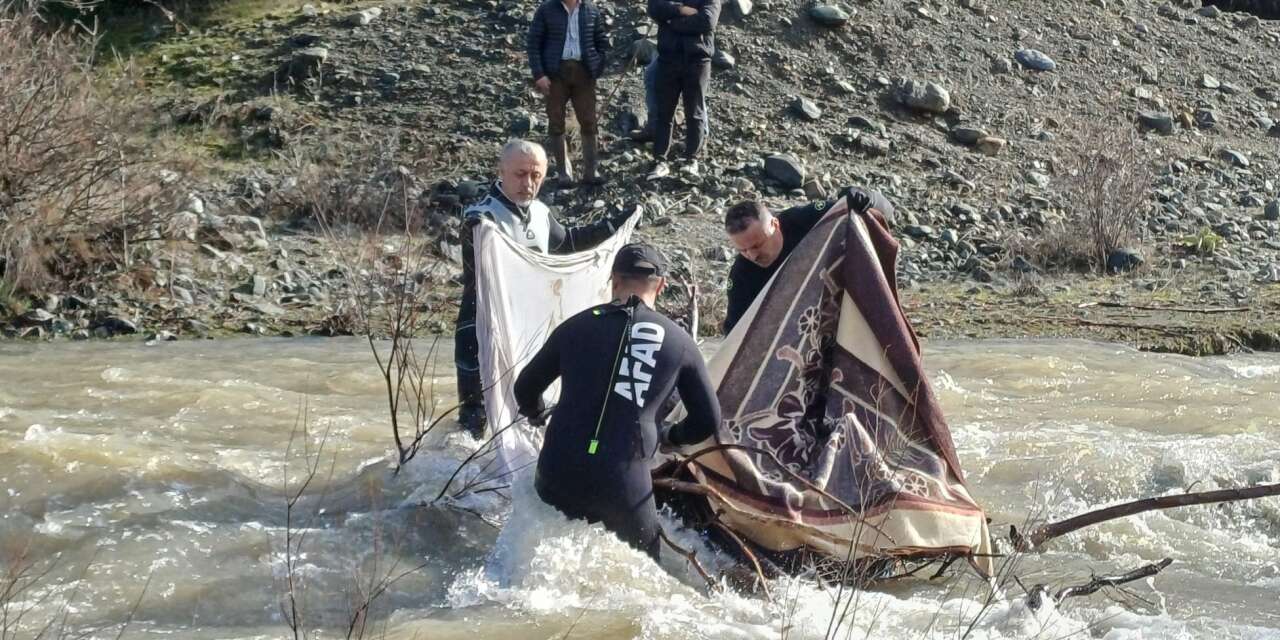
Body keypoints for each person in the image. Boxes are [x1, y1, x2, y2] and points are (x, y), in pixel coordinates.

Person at [513, 243, 721, 561]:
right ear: (661, 286)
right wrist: (670, 436)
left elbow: (525, 387)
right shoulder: (679, 342)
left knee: (538, 559)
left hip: (558, 468)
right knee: (643, 573)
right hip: (624, 482)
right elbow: (707, 421)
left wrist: (536, 412)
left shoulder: (575, 326)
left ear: (614, 280)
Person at [455, 140, 636, 438]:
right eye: (520, 174)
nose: (528, 183)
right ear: (501, 171)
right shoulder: (480, 217)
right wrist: (478, 230)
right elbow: (478, 260)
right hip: (480, 330)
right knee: (475, 425)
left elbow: (568, 243)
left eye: (536, 175)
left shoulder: (539, 212)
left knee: (526, 413)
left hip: (527, 329)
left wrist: (613, 225)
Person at [722, 187, 896, 334]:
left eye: (757, 245)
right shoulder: (742, 277)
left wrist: (865, 197)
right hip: (799, 334)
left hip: (849, 307)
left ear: (775, 224)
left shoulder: (804, 221)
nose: (752, 256)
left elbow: (886, 211)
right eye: (743, 250)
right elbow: (734, 336)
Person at [527, 0, 609, 186]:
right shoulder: (546, 9)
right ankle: (563, 173)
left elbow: (601, 41)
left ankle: (591, 172)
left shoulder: (591, 10)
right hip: (555, 74)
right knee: (556, 121)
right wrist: (539, 74)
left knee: (589, 121)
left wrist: (597, 66)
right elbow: (533, 43)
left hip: (584, 74)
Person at [646, 0, 720, 178]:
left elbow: (707, 21)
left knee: (694, 112)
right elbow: (655, 8)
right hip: (668, 59)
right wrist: (681, 10)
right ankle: (660, 160)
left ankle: (691, 159)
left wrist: (672, 22)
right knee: (664, 112)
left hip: (697, 60)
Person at [632, 55, 710, 144]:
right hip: (675, 49)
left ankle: (700, 135)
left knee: (694, 86)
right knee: (652, 74)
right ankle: (655, 127)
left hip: (694, 51)